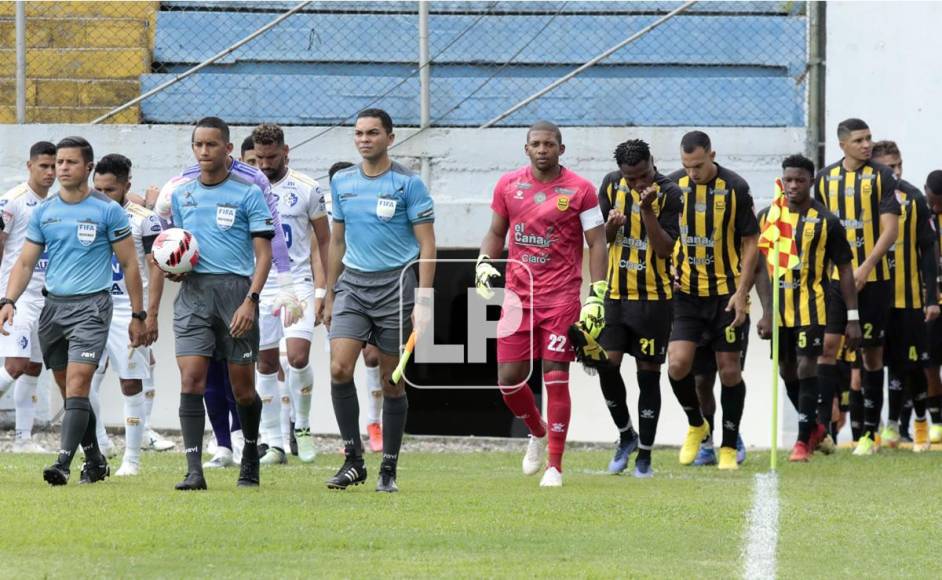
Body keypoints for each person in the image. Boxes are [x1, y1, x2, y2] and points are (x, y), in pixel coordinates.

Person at [0, 136, 146, 485]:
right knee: (70, 392)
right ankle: (95, 459)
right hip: (53, 309)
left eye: (70, 162)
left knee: (79, 386)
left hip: (92, 309)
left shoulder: (108, 210)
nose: (62, 168)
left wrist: (139, 315)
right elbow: (24, 262)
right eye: (59, 162)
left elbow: (130, 265)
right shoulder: (45, 212)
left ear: (88, 167)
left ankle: (64, 462)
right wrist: (8, 301)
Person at [476, 120, 607, 487]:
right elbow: (496, 232)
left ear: (561, 149)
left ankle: (555, 466)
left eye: (549, 144)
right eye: (536, 143)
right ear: (527, 148)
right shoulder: (508, 185)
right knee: (508, 381)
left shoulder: (581, 190)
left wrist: (597, 294)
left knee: (555, 376)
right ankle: (537, 430)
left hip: (561, 296)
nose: (543, 149)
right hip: (518, 295)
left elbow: (597, 242)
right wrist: (484, 264)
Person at [323, 108, 436, 492]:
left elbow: (427, 244)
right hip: (353, 285)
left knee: (391, 381)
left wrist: (424, 299)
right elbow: (336, 240)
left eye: (372, 133)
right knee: (339, 368)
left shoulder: (409, 185)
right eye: (359, 133)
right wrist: (329, 291)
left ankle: (388, 467)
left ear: (390, 137)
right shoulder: (342, 182)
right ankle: (354, 461)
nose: (364, 139)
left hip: (396, 287)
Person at [167, 117, 275, 491]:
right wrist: (176, 269)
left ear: (228, 149)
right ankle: (194, 469)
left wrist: (251, 300)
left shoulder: (248, 193)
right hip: (194, 296)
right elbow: (183, 246)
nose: (204, 152)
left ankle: (249, 454)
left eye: (211, 145)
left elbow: (264, 256)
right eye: (198, 145)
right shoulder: (182, 195)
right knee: (191, 379)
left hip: (236, 295)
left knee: (243, 388)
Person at [755, 154, 861, 462]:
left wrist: (852, 317)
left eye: (799, 180)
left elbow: (844, 269)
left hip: (813, 307)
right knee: (787, 370)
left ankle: (801, 442)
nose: (792, 185)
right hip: (780, 310)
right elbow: (761, 268)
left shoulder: (826, 221)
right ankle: (815, 426)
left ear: (810, 182)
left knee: (806, 366)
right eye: (788, 179)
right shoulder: (769, 218)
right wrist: (765, 311)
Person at [665, 131, 759, 470]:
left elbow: (751, 242)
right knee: (679, 366)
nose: (693, 172)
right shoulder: (672, 188)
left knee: (729, 371)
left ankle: (729, 446)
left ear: (712, 155)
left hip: (726, 296)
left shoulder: (736, 187)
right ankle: (698, 426)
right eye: (687, 166)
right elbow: (661, 237)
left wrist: (742, 291)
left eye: (699, 165)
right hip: (687, 296)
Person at [595, 139, 681, 478]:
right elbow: (601, 241)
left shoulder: (671, 194)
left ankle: (645, 454)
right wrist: (611, 229)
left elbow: (664, 250)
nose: (637, 184)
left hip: (653, 300)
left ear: (652, 164)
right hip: (616, 295)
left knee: (648, 375)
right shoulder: (609, 184)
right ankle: (626, 435)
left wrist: (646, 209)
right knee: (605, 365)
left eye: (643, 176)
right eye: (630, 179)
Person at [813, 119, 900, 456]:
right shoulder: (824, 180)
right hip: (836, 281)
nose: (866, 145)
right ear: (842, 145)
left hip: (874, 279)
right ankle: (823, 431)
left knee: (871, 353)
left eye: (869, 139)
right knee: (828, 348)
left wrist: (865, 267)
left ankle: (867, 434)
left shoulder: (882, 176)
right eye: (859, 140)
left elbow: (889, 231)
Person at [250, 123, 330, 465]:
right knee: (265, 362)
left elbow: (325, 241)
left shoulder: (307, 189)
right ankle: (275, 443)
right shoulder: (244, 187)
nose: (265, 165)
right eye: (258, 158)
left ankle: (303, 427)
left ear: (286, 151)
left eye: (271, 157)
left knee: (297, 357)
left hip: (295, 283)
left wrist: (324, 289)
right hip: (259, 286)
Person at [88, 154, 166, 475]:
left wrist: (150, 314)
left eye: (110, 190)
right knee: (82, 382)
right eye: (98, 189)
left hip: (128, 312)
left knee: (131, 383)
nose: (103, 196)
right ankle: (100, 442)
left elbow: (155, 266)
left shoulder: (144, 219)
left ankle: (131, 459)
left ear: (126, 186)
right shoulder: (86, 214)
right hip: (91, 308)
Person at [870, 141, 938, 452]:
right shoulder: (860, 195)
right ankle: (875, 429)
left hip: (908, 297)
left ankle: (915, 423)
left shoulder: (913, 198)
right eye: (889, 166)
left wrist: (931, 297)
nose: (896, 171)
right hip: (873, 294)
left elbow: (927, 251)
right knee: (868, 364)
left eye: (899, 165)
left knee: (910, 363)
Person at [0, 141, 56, 453]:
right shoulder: (12, 201)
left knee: (34, 366)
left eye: (53, 166)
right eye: (43, 166)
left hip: (47, 297)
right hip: (16, 297)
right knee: (16, 364)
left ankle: (23, 439)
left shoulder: (58, 203)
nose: (50, 173)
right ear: (29, 166)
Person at [327, 160, 385, 454]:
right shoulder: (328, 208)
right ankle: (349, 439)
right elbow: (324, 244)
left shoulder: (372, 202)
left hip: (374, 286)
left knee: (373, 356)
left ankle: (375, 424)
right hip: (342, 290)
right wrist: (326, 293)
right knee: (339, 366)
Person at [918, 169, 942, 444]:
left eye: (940, 202)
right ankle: (936, 420)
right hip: (929, 302)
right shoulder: (919, 215)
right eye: (932, 200)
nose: (935, 206)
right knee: (930, 363)